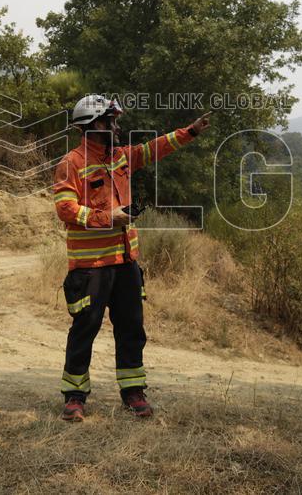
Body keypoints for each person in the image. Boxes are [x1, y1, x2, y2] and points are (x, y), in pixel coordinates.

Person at [52, 95, 210, 421]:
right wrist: (109, 217)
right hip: (90, 268)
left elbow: (152, 150)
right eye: (113, 121)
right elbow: (65, 209)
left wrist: (190, 132)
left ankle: (133, 393)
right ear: (97, 125)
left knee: (132, 329)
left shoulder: (121, 157)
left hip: (125, 264)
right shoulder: (72, 163)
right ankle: (74, 397)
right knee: (85, 329)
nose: (117, 126)